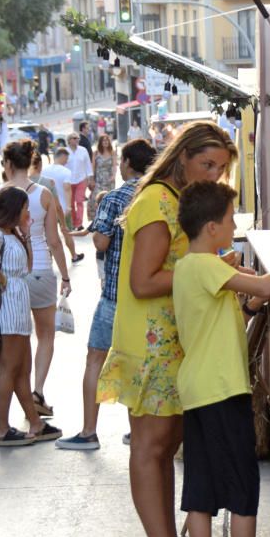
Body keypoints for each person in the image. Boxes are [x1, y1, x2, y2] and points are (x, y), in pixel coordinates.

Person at [96, 121, 238, 537]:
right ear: (182, 157)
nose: (215, 176)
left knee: (160, 449)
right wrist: (207, 270)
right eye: (207, 164)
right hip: (152, 344)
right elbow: (142, 280)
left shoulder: (173, 199)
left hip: (169, 341)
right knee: (152, 449)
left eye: (221, 168)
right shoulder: (158, 201)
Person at [174, 180, 270, 537]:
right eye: (229, 218)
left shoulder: (188, 268)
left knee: (202, 492)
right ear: (211, 227)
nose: (233, 224)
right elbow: (263, 286)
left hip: (198, 390)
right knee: (244, 491)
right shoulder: (207, 266)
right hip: (222, 390)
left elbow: (229, 315)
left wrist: (247, 308)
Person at [57, 139, 157, 451]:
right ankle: (138, 430)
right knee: (141, 363)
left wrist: (100, 231)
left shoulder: (116, 197)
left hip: (116, 295)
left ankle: (89, 431)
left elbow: (100, 243)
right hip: (151, 298)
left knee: (95, 358)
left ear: (127, 163)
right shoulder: (160, 195)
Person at [0, 140, 72, 420]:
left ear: (8, 164)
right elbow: (53, 239)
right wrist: (65, 274)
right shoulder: (43, 194)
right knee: (46, 335)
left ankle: (24, 398)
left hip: (9, 276)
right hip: (40, 270)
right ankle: (37, 391)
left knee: (18, 338)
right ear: (31, 162)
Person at [0, 185, 62, 446]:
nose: (29, 213)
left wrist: (25, 235)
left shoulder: (11, 234)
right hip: (7, 307)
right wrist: (3, 280)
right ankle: (1, 428)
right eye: (25, 208)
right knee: (10, 369)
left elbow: (26, 266)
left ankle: (34, 422)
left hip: (17, 306)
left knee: (22, 369)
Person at [41, 148, 85, 263]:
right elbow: (67, 189)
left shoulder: (44, 170)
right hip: (62, 208)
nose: (67, 161)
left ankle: (48, 260)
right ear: (62, 156)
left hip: (47, 208)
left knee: (49, 235)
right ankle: (74, 256)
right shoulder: (66, 171)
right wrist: (69, 207)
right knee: (67, 233)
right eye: (66, 158)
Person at [66, 133, 94, 230]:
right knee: (71, 203)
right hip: (68, 181)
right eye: (74, 138)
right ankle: (74, 222)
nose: (77, 140)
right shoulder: (65, 151)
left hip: (81, 179)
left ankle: (79, 224)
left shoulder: (83, 150)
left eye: (78, 138)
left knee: (79, 201)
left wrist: (90, 178)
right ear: (69, 140)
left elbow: (88, 164)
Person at [91, 134, 117, 220]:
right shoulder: (96, 153)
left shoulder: (112, 152)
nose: (105, 142)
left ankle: (108, 219)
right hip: (99, 179)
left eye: (107, 140)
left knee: (109, 199)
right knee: (96, 199)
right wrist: (92, 179)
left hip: (109, 180)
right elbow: (93, 167)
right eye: (103, 140)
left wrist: (113, 176)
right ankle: (97, 219)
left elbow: (114, 166)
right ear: (100, 142)